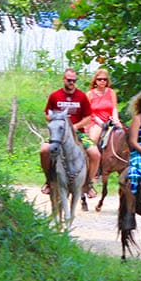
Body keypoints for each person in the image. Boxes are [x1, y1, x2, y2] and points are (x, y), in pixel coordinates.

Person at [40, 68, 99, 199]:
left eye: (74, 80)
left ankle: (88, 184)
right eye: (69, 80)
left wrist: (75, 127)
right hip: (58, 134)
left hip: (78, 133)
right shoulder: (55, 96)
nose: (72, 82)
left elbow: (88, 117)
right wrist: (57, 120)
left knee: (95, 153)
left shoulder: (82, 96)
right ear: (64, 79)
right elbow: (47, 115)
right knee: (44, 150)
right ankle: (49, 181)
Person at [86, 68, 121, 153]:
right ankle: (92, 162)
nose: (102, 81)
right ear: (95, 81)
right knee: (93, 140)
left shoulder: (111, 92)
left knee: (123, 133)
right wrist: (98, 121)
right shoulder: (90, 94)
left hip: (109, 120)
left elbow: (114, 108)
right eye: (99, 79)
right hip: (95, 121)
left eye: (105, 79)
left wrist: (116, 119)